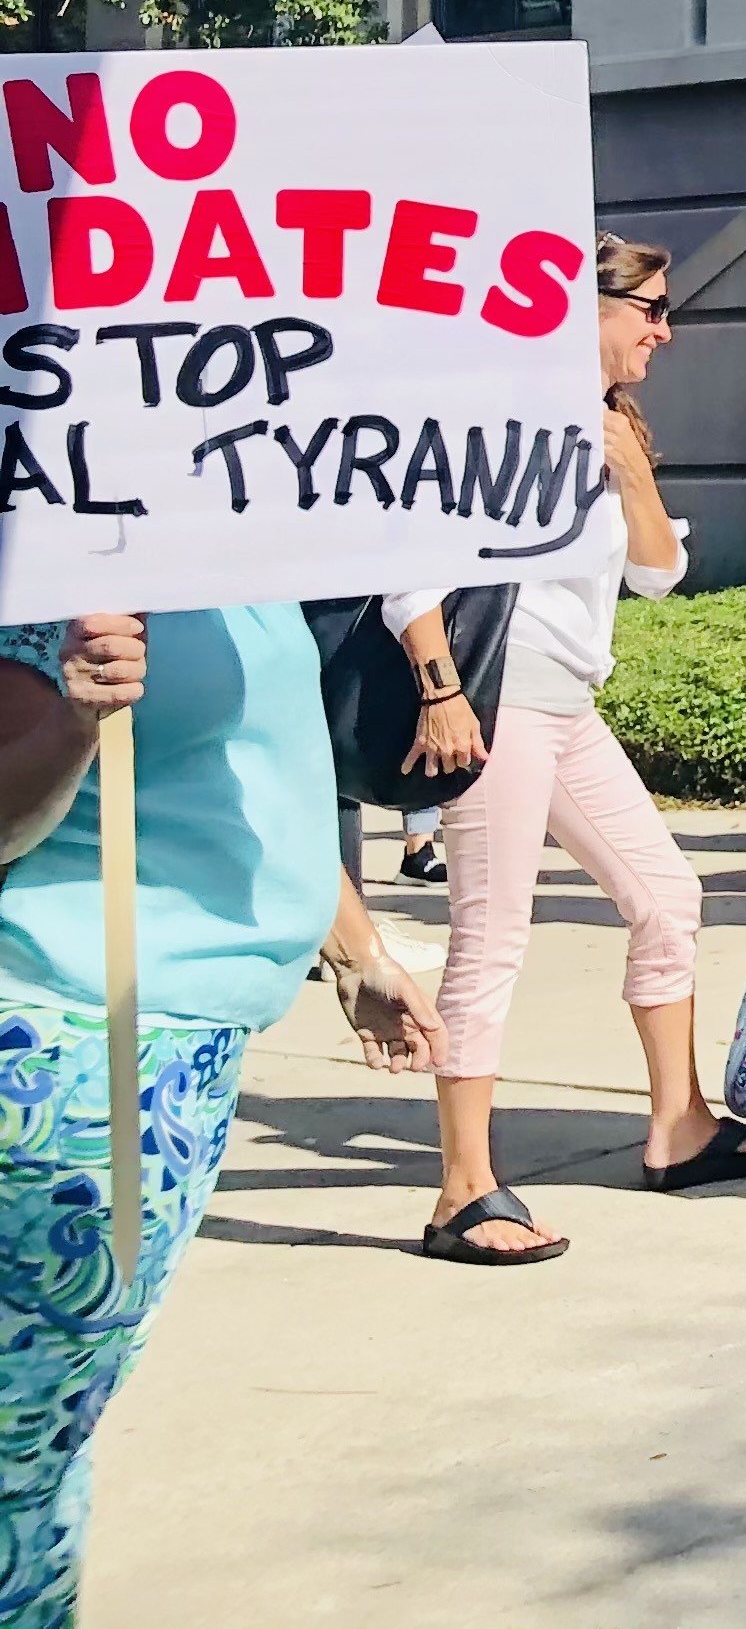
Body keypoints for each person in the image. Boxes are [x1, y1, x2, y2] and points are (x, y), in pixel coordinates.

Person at [0, 609, 441, 1610]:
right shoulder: (62, 562)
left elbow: (260, 779)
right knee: (21, 1451)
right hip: (77, 1044)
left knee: (49, 1433)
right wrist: (74, 718)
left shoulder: (231, 557)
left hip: (180, 1045)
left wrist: (356, 951)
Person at [394, 236, 746, 1266]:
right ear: (584, 307)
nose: (665, 330)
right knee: (492, 933)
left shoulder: (611, 423)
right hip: (499, 696)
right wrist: (441, 692)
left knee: (667, 894)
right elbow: (409, 565)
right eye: (650, 309)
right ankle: (462, 1189)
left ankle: (680, 1128)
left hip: (567, 701)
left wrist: (631, 472)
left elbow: (658, 574)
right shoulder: (492, 413)